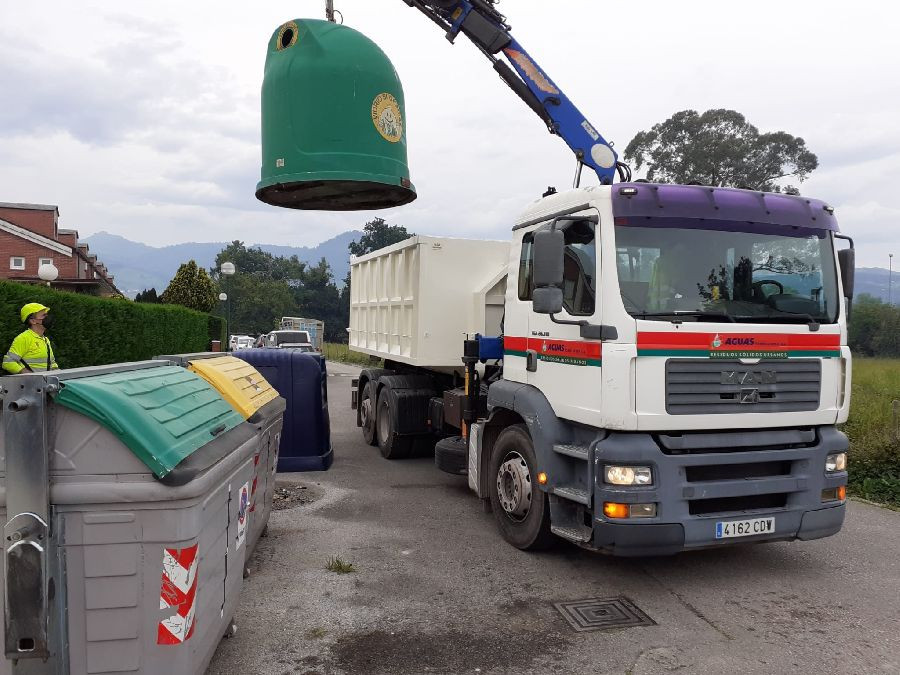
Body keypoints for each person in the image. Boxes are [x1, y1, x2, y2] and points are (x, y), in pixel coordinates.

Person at [2, 303, 59, 374]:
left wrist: (59, 373)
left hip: (45, 381)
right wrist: (30, 375)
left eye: (46, 315)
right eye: (44, 315)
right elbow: (8, 362)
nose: (47, 318)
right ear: (33, 321)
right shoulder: (24, 338)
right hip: (31, 381)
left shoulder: (45, 339)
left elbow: (52, 363)